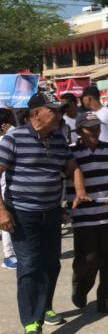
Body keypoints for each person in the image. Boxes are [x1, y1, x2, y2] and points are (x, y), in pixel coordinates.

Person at [0, 91, 89, 333]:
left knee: (51, 264)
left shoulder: (59, 139)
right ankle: (31, 321)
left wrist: (79, 190)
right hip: (22, 213)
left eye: (60, 109)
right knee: (29, 266)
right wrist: (2, 211)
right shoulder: (13, 138)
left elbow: (73, 167)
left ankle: (45, 306)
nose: (60, 114)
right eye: (55, 109)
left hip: (51, 213)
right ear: (36, 113)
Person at [66, 112, 108, 316]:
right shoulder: (71, 153)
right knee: (89, 258)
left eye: (97, 128)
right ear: (80, 131)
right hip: (84, 216)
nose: (95, 132)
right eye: (90, 129)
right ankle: (81, 286)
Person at [0, 108, 17, 270]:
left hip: (8, 186)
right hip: (4, 187)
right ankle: (9, 256)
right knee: (6, 223)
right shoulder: (6, 140)